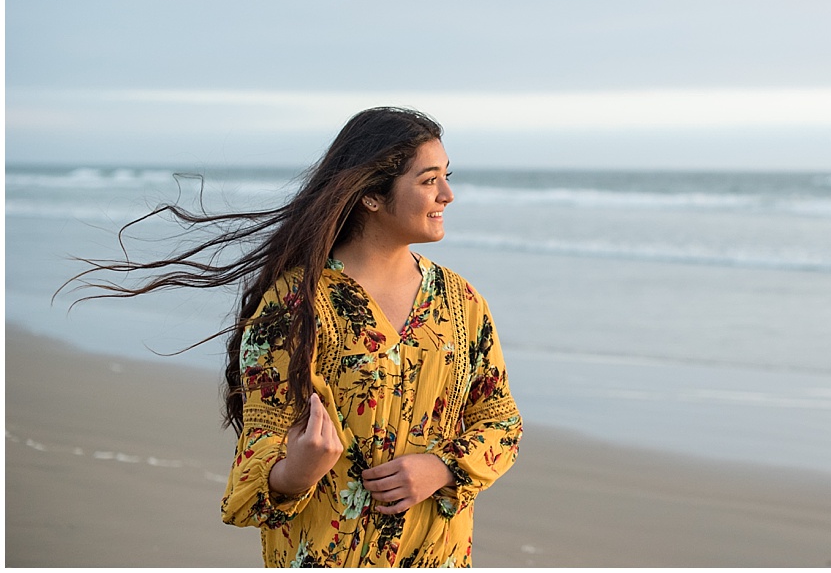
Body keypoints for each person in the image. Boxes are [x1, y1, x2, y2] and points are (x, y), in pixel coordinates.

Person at [70, 107, 521, 567]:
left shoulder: (461, 302)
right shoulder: (294, 304)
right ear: (371, 195)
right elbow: (252, 472)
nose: (447, 194)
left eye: (446, 176)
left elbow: (501, 421)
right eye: (429, 180)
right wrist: (294, 472)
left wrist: (442, 468)